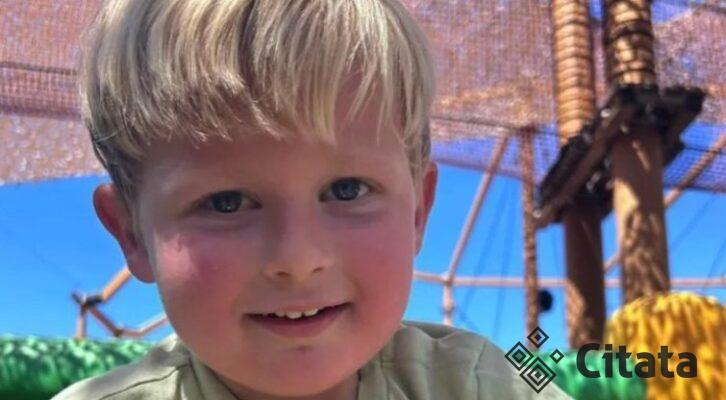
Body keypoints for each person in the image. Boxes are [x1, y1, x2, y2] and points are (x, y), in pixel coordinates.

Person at [54, 1, 572, 399]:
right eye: (226, 202)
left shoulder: (480, 384)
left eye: (347, 190)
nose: (297, 259)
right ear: (131, 233)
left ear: (418, 211)